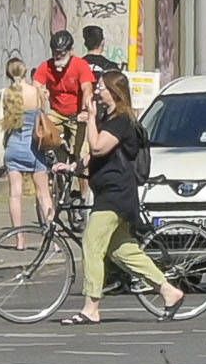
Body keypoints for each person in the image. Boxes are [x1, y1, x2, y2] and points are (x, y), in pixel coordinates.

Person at [76, 60, 192, 316]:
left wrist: (91, 119)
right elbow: (95, 155)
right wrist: (73, 166)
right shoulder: (111, 119)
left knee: (92, 243)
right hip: (109, 192)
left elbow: (98, 147)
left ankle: (91, 307)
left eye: (101, 88)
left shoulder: (121, 121)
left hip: (116, 195)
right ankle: (168, 291)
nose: (96, 92)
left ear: (114, 92)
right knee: (123, 251)